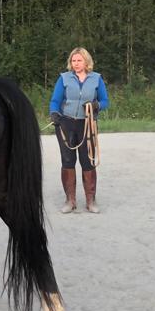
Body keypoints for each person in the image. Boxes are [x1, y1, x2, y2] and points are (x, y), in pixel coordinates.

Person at [49, 47, 109, 213]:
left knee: (88, 161)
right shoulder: (64, 78)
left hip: (87, 123)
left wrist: (97, 105)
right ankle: (70, 200)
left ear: (86, 61)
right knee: (67, 161)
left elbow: (105, 100)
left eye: (79, 60)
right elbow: (55, 100)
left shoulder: (96, 79)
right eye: (73, 61)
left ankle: (91, 201)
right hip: (66, 123)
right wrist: (54, 113)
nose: (76, 64)